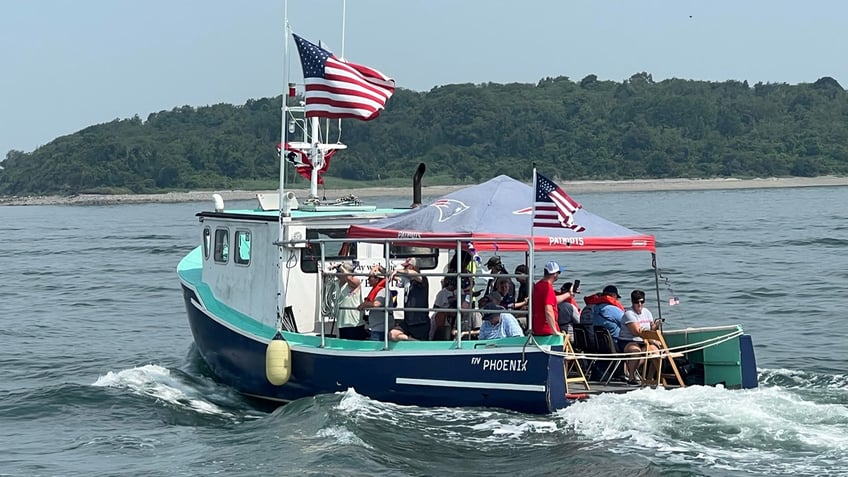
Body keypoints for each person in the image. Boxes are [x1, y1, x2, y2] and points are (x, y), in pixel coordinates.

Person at [618, 289, 660, 383]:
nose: (639, 304)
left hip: (643, 341)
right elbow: (636, 332)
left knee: (656, 352)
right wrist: (651, 338)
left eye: (642, 302)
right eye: (637, 302)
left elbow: (651, 327)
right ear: (632, 302)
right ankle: (631, 377)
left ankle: (649, 378)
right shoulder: (629, 314)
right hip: (628, 340)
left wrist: (656, 326)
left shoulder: (647, 312)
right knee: (636, 351)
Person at [389, 257, 430, 340]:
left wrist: (398, 271)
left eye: (406, 266)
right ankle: (413, 341)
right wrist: (380, 269)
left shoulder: (422, 279)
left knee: (421, 350)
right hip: (408, 322)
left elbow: (412, 274)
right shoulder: (408, 281)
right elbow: (392, 275)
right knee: (392, 334)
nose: (404, 268)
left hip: (420, 322)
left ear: (413, 267)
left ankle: (416, 343)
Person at [530, 261, 573, 336]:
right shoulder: (548, 288)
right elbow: (548, 309)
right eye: (558, 273)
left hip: (538, 328)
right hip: (547, 330)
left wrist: (569, 294)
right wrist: (554, 330)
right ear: (555, 274)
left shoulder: (539, 285)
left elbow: (553, 300)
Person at [358, 265, 392, 341]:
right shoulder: (377, 290)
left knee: (377, 348)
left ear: (377, 279)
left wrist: (364, 304)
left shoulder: (382, 290)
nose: (368, 280)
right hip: (376, 327)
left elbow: (377, 303)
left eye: (370, 278)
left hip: (380, 328)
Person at [335, 263, 367, 340]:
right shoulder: (337, 283)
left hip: (354, 323)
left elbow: (349, 278)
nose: (337, 272)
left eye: (339, 271)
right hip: (342, 323)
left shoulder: (355, 281)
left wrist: (341, 268)